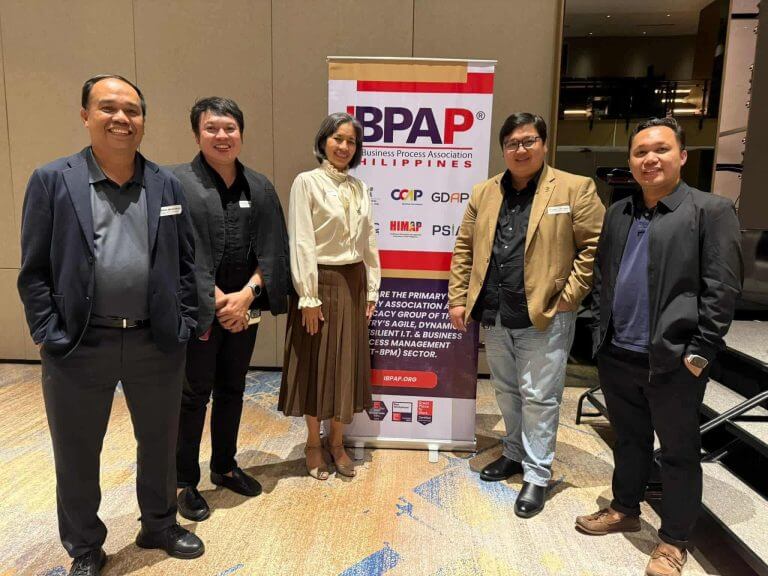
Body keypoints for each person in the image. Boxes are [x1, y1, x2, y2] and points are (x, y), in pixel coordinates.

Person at [17, 75, 203, 576]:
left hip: (155, 340)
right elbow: (34, 270)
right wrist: (48, 332)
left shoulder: (165, 184)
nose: (122, 118)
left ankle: (159, 525)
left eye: (132, 110)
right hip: (80, 342)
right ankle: (85, 547)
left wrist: (185, 320)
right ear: (85, 115)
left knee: (160, 442)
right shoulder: (53, 180)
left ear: (143, 120)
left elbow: (186, 262)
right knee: (77, 451)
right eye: (108, 108)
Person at [575, 117, 742, 576]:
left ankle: (673, 541)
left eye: (661, 149)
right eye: (640, 152)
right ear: (631, 161)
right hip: (617, 352)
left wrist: (700, 352)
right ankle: (624, 508)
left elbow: (722, 289)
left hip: (674, 359)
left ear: (682, 156)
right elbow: (604, 276)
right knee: (629, 440)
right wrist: (599, 332)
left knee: (678, 452)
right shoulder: (619, 211)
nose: (650, 158)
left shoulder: (711, 211)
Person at [449, 112, 604, 517]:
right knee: (506, 390)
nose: (521, 149)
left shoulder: (574, 188)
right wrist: (458, 298)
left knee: (540, 396)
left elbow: (594, 246)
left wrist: (570, 296)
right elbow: (464, 247)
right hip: (496, 311)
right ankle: (514, 453)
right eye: (512, 143)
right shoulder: (484, 192)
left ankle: (537, 474)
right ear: (503, 149)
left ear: (544, 144)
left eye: (529, 141)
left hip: (546, 314)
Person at [173, 97, 289, 521]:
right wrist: (216, 296)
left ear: (241, 133)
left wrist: (246, 296)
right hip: (198, 309)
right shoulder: (176, 183)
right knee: (192, 395)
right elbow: (172, 250)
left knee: (233, 389)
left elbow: (274, 248)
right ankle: (183, 480)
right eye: (212, 128)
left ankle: (224, 465)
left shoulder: (259, 186)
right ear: (197, 134)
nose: (222, 136)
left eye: (230, 128)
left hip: (245, 309)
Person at [279, 112, 380, 480]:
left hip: (353, 282)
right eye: (338, 138)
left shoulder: (360, 187)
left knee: (346, 365)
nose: (344, 146)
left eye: (351, 141)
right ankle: (312, 442)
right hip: (319, 283)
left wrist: (372, 288)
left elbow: (369, 239)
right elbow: (302, 241)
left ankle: (337, 442)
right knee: (315, 363)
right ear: (323, 141)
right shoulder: (306, 182)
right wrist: (307, 296)